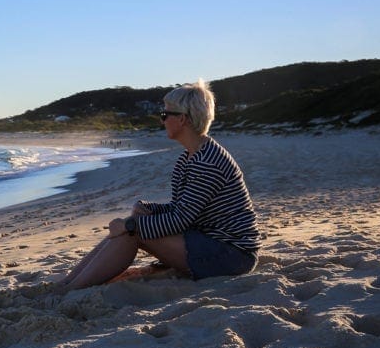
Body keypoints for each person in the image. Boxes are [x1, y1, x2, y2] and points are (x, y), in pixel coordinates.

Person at [60, 79, 260, 289]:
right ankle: (69, 282)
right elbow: (184, 208)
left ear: (182, 119)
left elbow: (180, 220)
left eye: (165, 114)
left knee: (132, 231)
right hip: (208, 240)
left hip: (233, 255)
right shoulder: (190, 157)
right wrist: (150, 209)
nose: (162, 120)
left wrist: (130, 225)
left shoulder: (207, 162)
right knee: (135, 222)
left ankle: (71, 288)